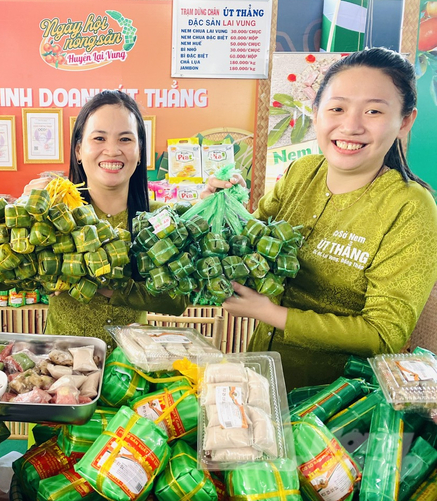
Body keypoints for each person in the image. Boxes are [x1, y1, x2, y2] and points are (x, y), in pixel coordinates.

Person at [204, 47, 437, 390]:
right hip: (262, 381)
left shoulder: (410, 207)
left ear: (404, 120)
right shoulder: (301, 173)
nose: (351, 125)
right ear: (316, 113)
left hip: (338, 405)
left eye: (373, 111)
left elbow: (382, 333)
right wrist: (228, 209)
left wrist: (271, 314)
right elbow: (250, 250)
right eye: (337, 108)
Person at [23, 90, 187, 349]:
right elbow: (11, 274)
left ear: (140, 151)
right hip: (63, 367)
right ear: (79, 150)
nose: (112, 150)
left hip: (131, 368)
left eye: (125, 139)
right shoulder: (56, 214)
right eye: (99, 138)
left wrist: (106, 286)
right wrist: (24, 214)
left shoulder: (160, 218)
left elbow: (177, 300)